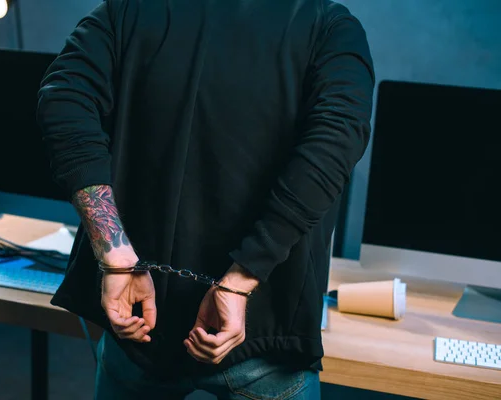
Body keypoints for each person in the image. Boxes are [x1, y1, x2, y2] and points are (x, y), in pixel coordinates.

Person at [37, 0, 374, 398]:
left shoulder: (128, 10)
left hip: (142, 320)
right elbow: (333, 148)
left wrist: (114, 255)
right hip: (248, 332)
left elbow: (63, 101)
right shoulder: (329, 27)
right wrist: (241, 279)